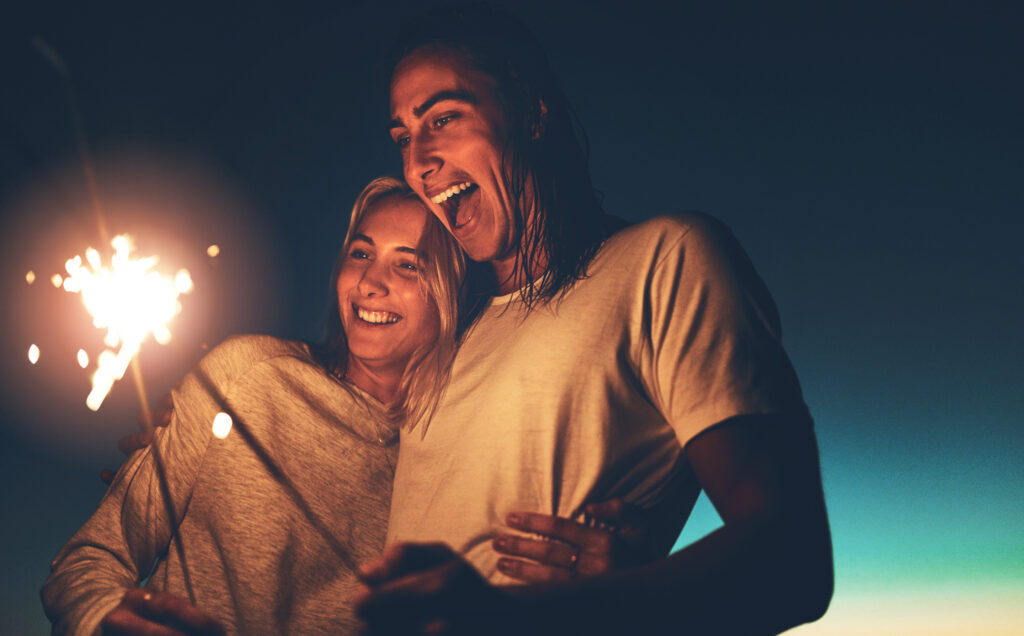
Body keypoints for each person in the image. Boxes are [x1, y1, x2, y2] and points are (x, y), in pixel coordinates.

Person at [356, 5, 833, 635]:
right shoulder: (453, 329)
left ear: (532, 112)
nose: (418, 160)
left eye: (443, 118)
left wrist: (578, 608)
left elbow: (795, 565)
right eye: (402, 137)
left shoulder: (667, 260)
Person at [42, 178, 609, 635]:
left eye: (408, 265)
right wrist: (104, 619)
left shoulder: (459, 454)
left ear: (456, 292)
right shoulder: (244, 376)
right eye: (361, 253)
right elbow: (87, 560)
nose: (369, 282)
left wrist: (604, 574)